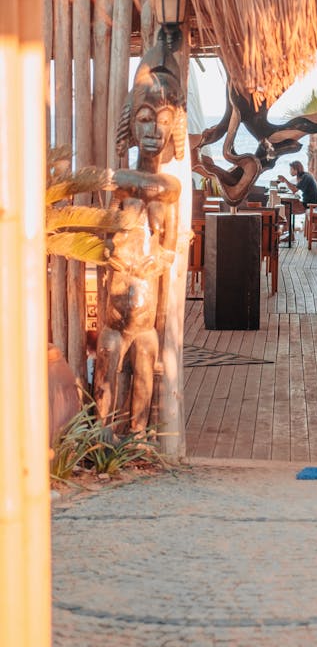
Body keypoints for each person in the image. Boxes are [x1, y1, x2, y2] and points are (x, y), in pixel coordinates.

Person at [93, 48, 186, 436]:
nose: (152, 131)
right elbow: (105, 228)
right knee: (108, 362)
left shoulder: (169, 189)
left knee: (145, 365)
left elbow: (169, 240)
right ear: (131, 125)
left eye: (163, 121)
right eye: (145, 120)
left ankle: (140, 434)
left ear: (173, 127)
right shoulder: (120, 185)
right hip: (115, 311)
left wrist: (160, 259)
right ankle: (99, 436)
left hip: (147, 316)